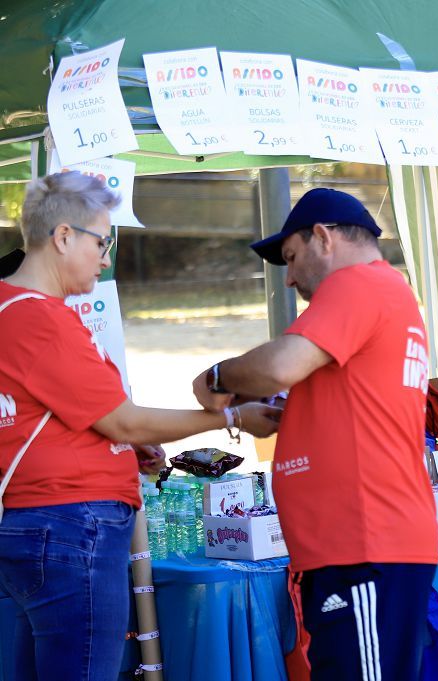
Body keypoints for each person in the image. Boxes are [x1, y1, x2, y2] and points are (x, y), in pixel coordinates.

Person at [0, 171, 280, 681]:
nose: (106, 258)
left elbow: (58, 417)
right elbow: (123, 421)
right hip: (70, 525)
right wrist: (231, 417)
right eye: (102, 242)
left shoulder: (15, 310)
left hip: (45, 524)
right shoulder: (38, 317)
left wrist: (125, 449)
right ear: (63, 237)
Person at [191, 187, 438, 679]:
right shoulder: (382, 294)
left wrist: (217, 377)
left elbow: (281, 364)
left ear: (323, 238)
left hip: (364, 547)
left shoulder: (358, 286)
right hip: (360, 548)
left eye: (291, 258)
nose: (289, 280)